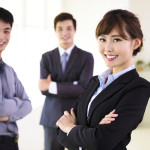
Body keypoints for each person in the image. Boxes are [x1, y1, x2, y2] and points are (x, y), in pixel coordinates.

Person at [56, 9, 150, 150]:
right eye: (102, 39)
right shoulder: (95, 82)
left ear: (135, 43)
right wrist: (92, 132)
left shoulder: (139, 87)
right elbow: (60, 131)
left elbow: (101, 141)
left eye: (117, 39)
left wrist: (72, 128)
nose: (108, 48)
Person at [39, 12, 94, 150]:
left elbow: (83, 89)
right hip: (51, 118)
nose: (65, 32)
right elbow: (43, 88)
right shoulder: (46, 57)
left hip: (77, 118)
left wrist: (52, 85)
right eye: (60, 28)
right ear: (55, 31)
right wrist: (72, 86)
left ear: (74, 30)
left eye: (69, 28)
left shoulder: (86, 57)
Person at [0, 7, 32, 150]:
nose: (2, 37)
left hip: (11, 142)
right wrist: (16, 102)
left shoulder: (9, 71)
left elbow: (27, 104)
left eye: (6, 31)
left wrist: (8, 117)